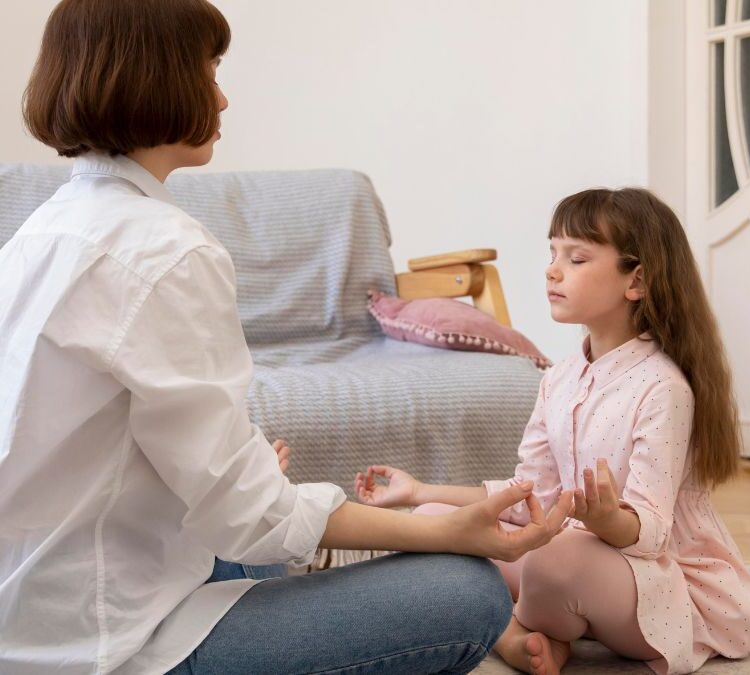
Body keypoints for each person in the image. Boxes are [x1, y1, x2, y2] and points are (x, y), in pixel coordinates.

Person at [0, 1, 575, 673]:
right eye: (207, 69)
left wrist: (243, 488)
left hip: (31, 608)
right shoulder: (164, 250)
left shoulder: (36, 235)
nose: (221, 94)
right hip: (106, 645)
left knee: (267, 531)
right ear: (156, 76)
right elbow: (251, 516)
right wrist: (442, 529)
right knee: (468, 590)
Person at [355, 187, 750, 675]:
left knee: (553, 560)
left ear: (635, 280)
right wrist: (421, 490)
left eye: (576, 258)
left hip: (656, 583)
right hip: (571, 569)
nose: (552, 270)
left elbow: (651, 533)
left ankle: (509, 626)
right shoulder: (558, 378)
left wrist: (605, 521)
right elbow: (528, 496)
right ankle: (521, 636)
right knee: (430, 522)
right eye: (552, 254)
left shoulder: (663, 388)